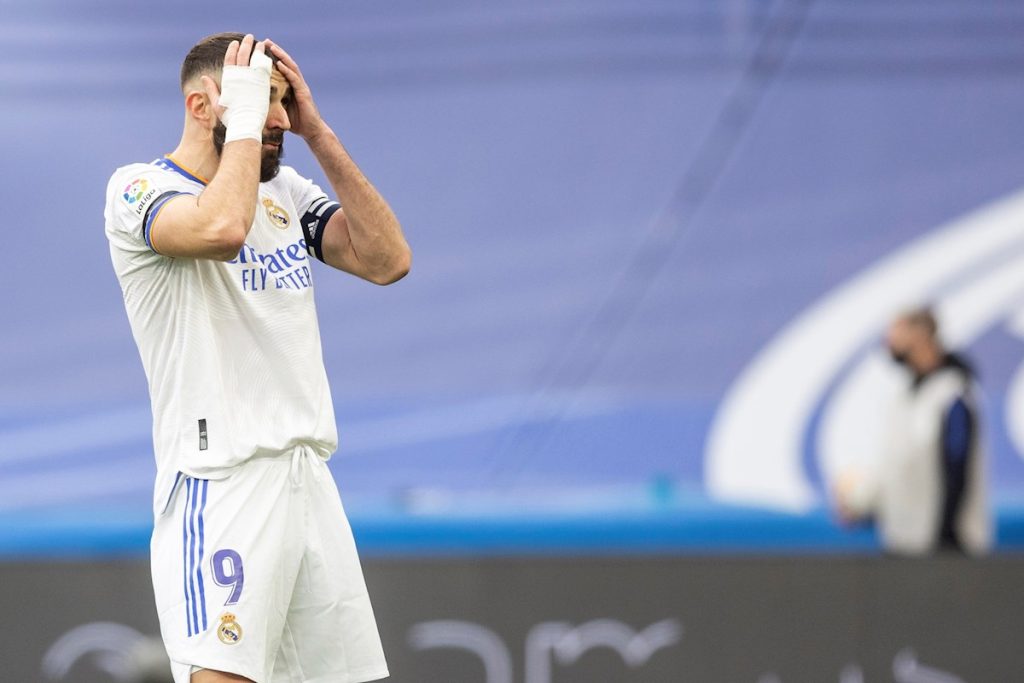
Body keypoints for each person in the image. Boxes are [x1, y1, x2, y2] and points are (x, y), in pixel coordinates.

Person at [104, 32, 410, 683]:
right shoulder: (138, 189)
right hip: (221, 481)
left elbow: (388, 260)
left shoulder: (285, 191)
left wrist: (317, 131)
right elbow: (221, 230)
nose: (276, 119)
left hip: (307, 477)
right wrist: (246, 120)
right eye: (256, 97)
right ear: (200, 105)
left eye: (279, 100)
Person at [834, 308, 991, 556]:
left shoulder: (952, 395)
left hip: (943, 551)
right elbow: (898, 470)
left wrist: (946, 540)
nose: (889, 342)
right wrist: (860, 503)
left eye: (897, 332)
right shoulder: (903, 398)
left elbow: (957, 468)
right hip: (904, 547)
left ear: (921, 335)